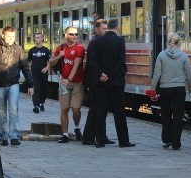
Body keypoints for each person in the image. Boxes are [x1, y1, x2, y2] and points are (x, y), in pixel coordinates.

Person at [0, 26, 34, 146]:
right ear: (3, 36)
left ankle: (14, 136)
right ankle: (4, 136)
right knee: (1, 111)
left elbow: (25, 67)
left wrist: (30, 84)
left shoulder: (18, 49)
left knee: (13, 110)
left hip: (13, 84)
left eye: (13, 37)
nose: (11, 39)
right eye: (9, 37)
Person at [90, 18, 135, 148]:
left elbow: (93, 61)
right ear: (118, 28)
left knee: (101, 111)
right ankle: (123, 141)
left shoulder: (97, 41)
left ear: (108, 27)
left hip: (101, 82)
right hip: (116, 82)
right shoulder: (120, 41)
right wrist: (110, 75)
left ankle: (99, 140)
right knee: (119, 112)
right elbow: (121, 61)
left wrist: (101, 75)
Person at [150, 32, 191, 150]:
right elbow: (189, 74)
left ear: (168, 42)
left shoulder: (161, 55)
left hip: (165, 89)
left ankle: (166, 140)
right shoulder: (184, 56)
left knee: (165, 115)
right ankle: (176, 143)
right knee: (178, 116)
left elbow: (157, 74)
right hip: (179, 89)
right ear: (179, 43)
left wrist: (153, 88)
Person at [49, 27, 84, 143]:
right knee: (64, 109)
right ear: (66, 36)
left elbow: (77, 65)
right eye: (71, 34)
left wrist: (69, 79)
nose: (74, 36)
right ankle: (65, 135)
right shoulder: (61, 48)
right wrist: (59, 56)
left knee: (75, 108)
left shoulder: (79, 48)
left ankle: (77, 127)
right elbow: (51, 61)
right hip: (64, 83)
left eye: (76, 34)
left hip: (76, 82)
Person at [81, 19, 113, 145]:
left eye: (106, 28)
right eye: (103, 29)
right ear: (96, 29)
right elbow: (92, 63)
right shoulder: (95, 42)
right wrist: (99, 76)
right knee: (95, 109)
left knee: (101, 109)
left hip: (98, 80)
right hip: (95, 81)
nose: (105, 31)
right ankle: (88, 137)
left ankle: (101, 135)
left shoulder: (99, 42)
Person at [28, 33, 51, 113]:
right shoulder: (31, 50)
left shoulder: (46, 50)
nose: (36, 39)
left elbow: (50, 62)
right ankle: (36, 105)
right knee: (36, 88)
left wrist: (47, 68)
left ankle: (41, 103)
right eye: (35, 38)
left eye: (38, 38)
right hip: (35, 73)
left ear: (42, 39)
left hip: (44, 73)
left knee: (44, 89)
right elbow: (28, 62)